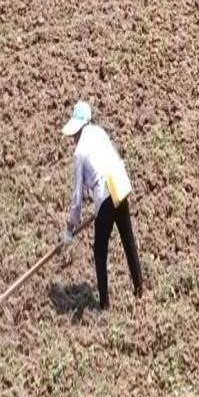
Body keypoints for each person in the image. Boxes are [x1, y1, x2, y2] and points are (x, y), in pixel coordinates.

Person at [63, 100, 142, 310]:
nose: (73, 138)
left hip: (105, 196)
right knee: (128, 240)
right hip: (119, 186)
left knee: (99, 251)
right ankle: (139, 289)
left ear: (78, 129)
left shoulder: (79, 153)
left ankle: (104, 304)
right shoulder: (99, 132)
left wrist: (70, 227)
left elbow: (77, 197)